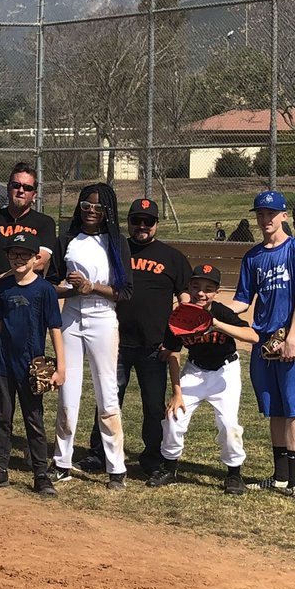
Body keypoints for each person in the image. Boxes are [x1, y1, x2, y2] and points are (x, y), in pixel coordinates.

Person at [77, 198, 190, 477]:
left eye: (147, 221)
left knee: (153, 405)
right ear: (127, 223)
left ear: (156, 225)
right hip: (115, 341)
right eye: (136, 220)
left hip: (155, 345)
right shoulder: (116, 250)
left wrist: (175, 340)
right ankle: (99, 453)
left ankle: (152, 457)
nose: (141, 226)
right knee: (108, 399)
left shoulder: (172, 257)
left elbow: (185, 300)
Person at [230, 190, 295, 507]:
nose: (265, 219)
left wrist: (293, 336)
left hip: (290, 337)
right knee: (275, 407)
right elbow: (242, 299)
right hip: (264, 340)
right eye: (260, 214)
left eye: (270, 214)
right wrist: (215, 311)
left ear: (283, 216)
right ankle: (279, 477)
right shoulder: (253, 257)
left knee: (294, 408)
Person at [48, 182, 133, 490]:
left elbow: (124, 291)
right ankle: (61, 461)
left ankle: (116, 467)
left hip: (102, 315)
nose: (92, 212)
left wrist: (91, 287)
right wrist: (70, 289)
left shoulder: (116, 242)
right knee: (67, 390)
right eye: (86, 206)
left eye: (99, 207)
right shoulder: (67, 239)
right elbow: (49, 284)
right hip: (71, 313)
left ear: (108, 211)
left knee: (107, 392)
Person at [151, 265, 258, 495]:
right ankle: (170, 467)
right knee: (173, 416)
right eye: (196, 287)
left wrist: (216, 324)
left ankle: (234, 475)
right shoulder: (179, 316)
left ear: (216, 292)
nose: (201, 293)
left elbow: (253, 336)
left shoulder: (221, 312)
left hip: (225, 372)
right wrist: (177, 393)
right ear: (188, 287)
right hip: (195, 370)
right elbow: (172, 353)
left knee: (229, 424)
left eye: (208, 289)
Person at [0, 232, 63, 496]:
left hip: (31, 365)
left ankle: (41, 475)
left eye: (24, 254)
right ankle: (0, 470)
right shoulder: (4, 287)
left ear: (35, 258)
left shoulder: (44, 290)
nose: (18, 259)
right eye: (14, 254)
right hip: (4, 362)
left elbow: (55, 328)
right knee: (2, 417)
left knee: (34, 419)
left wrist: (61, 367)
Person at [0, 161, 56, 276]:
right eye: (16, 185)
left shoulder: (45, 223)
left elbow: (40, 262)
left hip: (28, 290)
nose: (21, 191)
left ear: (34, 195)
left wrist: (3, 278)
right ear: (8, 188)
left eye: (27, 188)